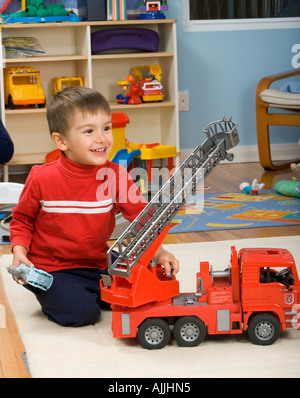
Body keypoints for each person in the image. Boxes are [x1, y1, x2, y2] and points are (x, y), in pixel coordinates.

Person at [9, 86, 179, 327]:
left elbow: (143, 219)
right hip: (56, 267)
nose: (102, 138)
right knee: (81, 314)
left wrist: (158, 252)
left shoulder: (116, 175)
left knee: (146, 292)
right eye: (89, 131)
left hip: (98, 261)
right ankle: (47, 288)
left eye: (106, 128)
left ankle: (92, 289)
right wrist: (19, 251)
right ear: (61, 140)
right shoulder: (41, 177)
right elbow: (22, 219)